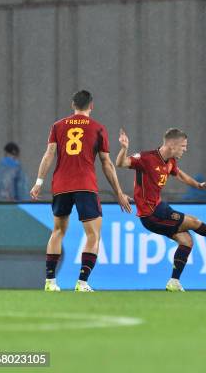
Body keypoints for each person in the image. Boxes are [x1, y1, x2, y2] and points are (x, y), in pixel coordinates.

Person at [116, 128, 206, 292]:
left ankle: (174, 282)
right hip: (151, 214)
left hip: (160, 208)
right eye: (183, 146)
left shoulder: (171, 160)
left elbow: (179, 175)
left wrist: (198, 185)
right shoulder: (146, 158)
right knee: (194, 222)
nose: (185, 149)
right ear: (172, 145)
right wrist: (124, 148)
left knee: (187, 241)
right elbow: (120, 163)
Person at [30, 90, 132, 293]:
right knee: (93, 235)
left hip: (61, 185)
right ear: (91, 105)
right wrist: (119, 192)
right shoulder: (98, 129)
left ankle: (50, 282)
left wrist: (39, 182)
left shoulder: (58, 126)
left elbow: (49, 154)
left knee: (58, 231)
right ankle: (82, 282)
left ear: (72, 105)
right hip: (85, 185)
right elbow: (107, 164)